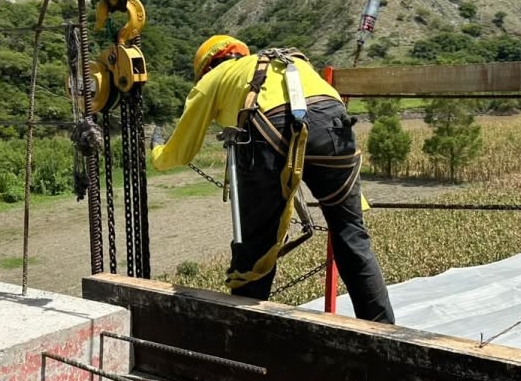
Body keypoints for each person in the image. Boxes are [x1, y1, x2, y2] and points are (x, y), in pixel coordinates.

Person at [150, 35, 395, 324]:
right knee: (351, 235)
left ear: (206, 67)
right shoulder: (283, 63)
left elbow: (180, 151)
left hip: (270, 125)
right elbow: (315, 116)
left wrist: (156, 151)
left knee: (256, 247)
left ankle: (246, 333)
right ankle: (384, 331)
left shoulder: (214, 77)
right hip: (333, 119)